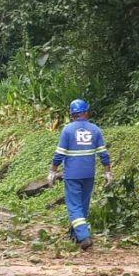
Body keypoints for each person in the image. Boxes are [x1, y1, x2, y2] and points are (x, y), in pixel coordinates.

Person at [48, 98, 112, 250]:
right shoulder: (95, 130)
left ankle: (84, 237)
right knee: (83, 205)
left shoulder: (67, 130)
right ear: (86, 112)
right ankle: (75, 234)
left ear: (72, 114)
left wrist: (52, 171)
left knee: (74, 207)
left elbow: (59, 154)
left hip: (72, 175)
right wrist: (108, 172)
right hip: (89, 174)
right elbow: (104, 154)